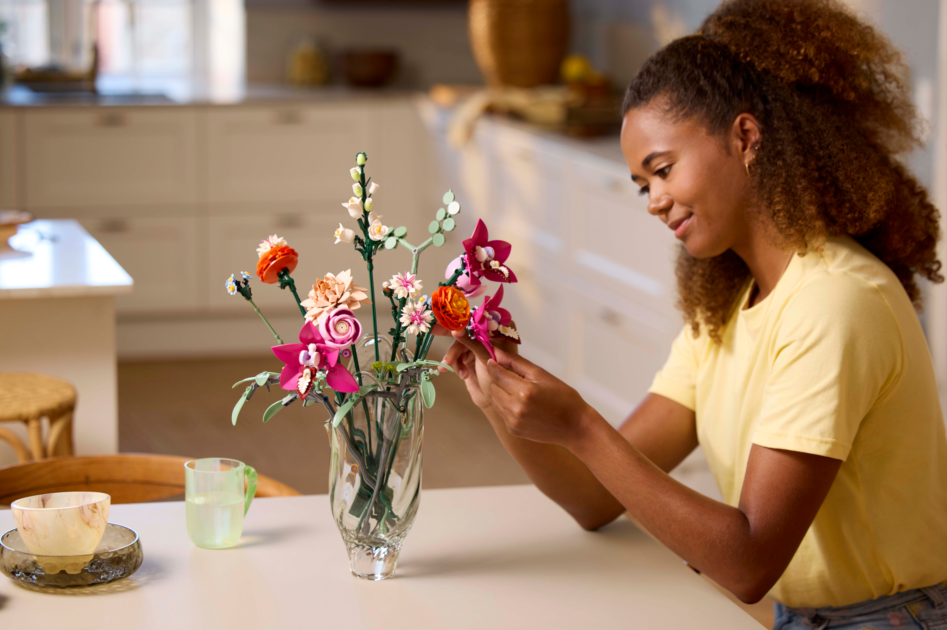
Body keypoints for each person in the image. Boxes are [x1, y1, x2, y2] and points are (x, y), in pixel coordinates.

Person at [435, 0, 947, 628]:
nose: (653, 201)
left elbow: (749, 561)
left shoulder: (836, 303)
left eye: (662, 170)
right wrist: (498, 388)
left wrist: (582, 425)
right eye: (642, 184)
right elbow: (594, 497)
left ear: (745, 138)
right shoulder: (729, 310)